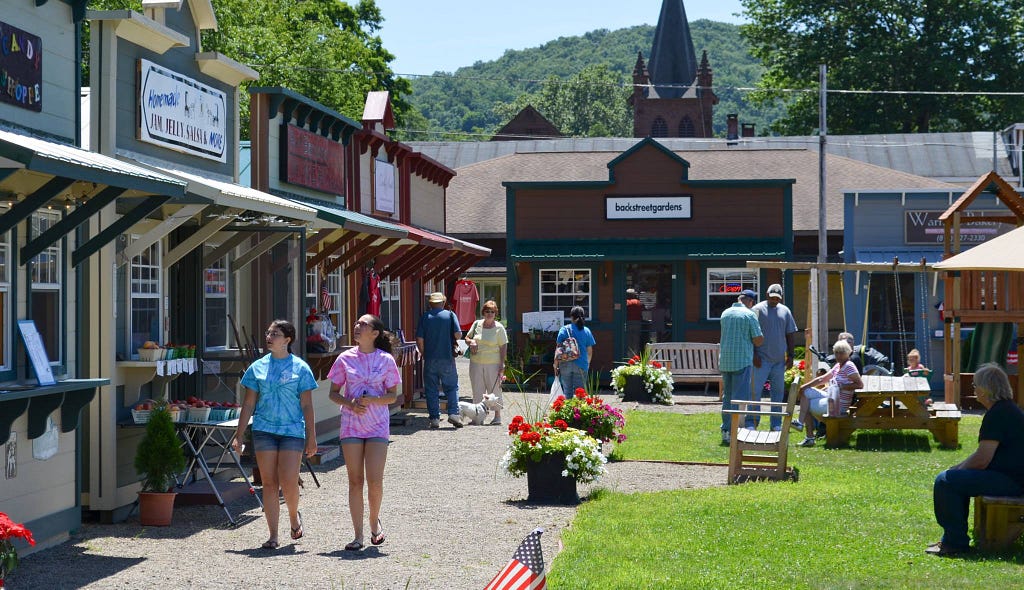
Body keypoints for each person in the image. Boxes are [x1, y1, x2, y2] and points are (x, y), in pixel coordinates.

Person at [232, 320, 318, 550]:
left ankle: (293, 516)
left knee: (289, 481)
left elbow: (307, 405)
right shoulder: (257, 367)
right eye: (268, 333)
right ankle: (273, 535)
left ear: (287, 340)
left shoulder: (301, 368)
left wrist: (312, 437)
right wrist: (239, 435)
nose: (269, 337)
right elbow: (249, 404)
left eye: (275, 334)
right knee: (268, 483)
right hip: (264, 430)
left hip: (292, 430)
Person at [928, 363, 1024, 556]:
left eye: (975, 386)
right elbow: (982, 456)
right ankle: (954, 539)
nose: (974, 390)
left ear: (985, 389)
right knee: (953, 478)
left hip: (1013, 482)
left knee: (945, 482)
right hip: (1013, 478)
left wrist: (954, 472)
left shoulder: (998, 414)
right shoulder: (1006, 409)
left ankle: (955, 543)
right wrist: (958, 468)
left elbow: (982, 460)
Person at [327, 314, 401, 551]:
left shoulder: (386, 359)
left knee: (375, 481)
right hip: (351, 425)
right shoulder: (344, 358)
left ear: (375, 333)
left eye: (362, 324)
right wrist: (350, 404)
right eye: (356, 323)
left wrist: (374, 400)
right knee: (355, 480)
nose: (356, 327)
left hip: (378, 424)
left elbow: (393, 395)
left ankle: (374, 522)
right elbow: (333, 392)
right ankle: (358, 535)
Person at [792, 339, 863, 447]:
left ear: (848, 353)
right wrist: (804, 386)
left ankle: (808, 435)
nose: (838, 355)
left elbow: (859, 385)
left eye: (841, 352)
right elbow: (822, 379)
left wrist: (842, 386)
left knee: (805, 404)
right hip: (831, 398)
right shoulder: (838, 365)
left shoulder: (849, 366)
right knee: (806, 392)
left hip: (838, 404)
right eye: (836, 353)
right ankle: (801, 424)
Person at [718, 289, 764, 444]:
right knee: (739, 398)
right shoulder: (749, 315)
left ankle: (726, 430)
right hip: (742, 361)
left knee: (727, 397)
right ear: (750, 302)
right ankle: (736, 430)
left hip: (725, 360)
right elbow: (758, 340)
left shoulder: (725, 313)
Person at [752, 283, 799, 431]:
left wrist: (791, 355)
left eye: (777, 298)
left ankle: (776, 424)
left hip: (779, 360)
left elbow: (790, 334)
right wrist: (754, 354)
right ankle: (752, 422)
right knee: (755, 391)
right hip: (761, 359)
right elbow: (750, 334)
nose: (774, 300)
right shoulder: (757, 310)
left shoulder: (785, 311)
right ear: (767, 295)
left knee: (778, 393)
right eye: (772, 298)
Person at [416, 292, 464, 429]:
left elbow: (419, 339)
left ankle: (435, 418)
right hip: (447, 357)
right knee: (452, 386)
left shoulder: (425, 317)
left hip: (430, 358)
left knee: (431, 389)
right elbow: (458, 334)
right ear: (443, 302)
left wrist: (424, 353)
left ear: (430, 304)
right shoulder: (450, 315)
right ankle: (453, 413)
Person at [464, 300, 507, 425]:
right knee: (477, 389)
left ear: (495, 313)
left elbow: (503, 346)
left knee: (494, 390)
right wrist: (470, 342)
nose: (489, 314)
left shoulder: (499, 328)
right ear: (483, 312)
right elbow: (467, 337)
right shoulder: (477, 324)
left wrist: (502, 363)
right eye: (487, 311)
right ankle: (478, 416)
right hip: (476, 362)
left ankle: (497, 416)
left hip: (493, 363)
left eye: (492, 312)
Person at [554, 306, 597, 395]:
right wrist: (587, 364)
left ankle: (568, 408)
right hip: (581, 363)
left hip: (565, 363)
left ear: (571, 317)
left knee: (567, 391)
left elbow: (558, 349)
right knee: (580, 393)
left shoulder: (564, 329)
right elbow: (589, 351)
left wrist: (555, 365)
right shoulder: (586, 331)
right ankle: (579, 409)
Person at [625, 288, 643, 355]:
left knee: (629, 340)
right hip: (637, 322)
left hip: (628, 322)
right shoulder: (638, 302)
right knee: (636, 340)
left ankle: (629, 356)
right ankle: (636, 356)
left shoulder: (626, 302)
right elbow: (642, 310)